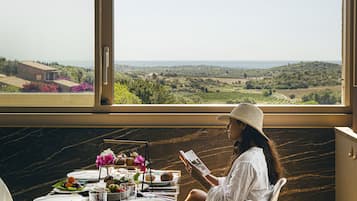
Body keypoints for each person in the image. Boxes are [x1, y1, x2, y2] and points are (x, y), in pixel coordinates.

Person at [183, 103, 284, 201]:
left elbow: (228, 199)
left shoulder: (247, 162)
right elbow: (235, 184)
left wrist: (200, 178)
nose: (227, 127)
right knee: (195, 194)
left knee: (194, 195)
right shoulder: (257, 153)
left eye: (231, 122)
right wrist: (206, 175)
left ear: (243, 125)